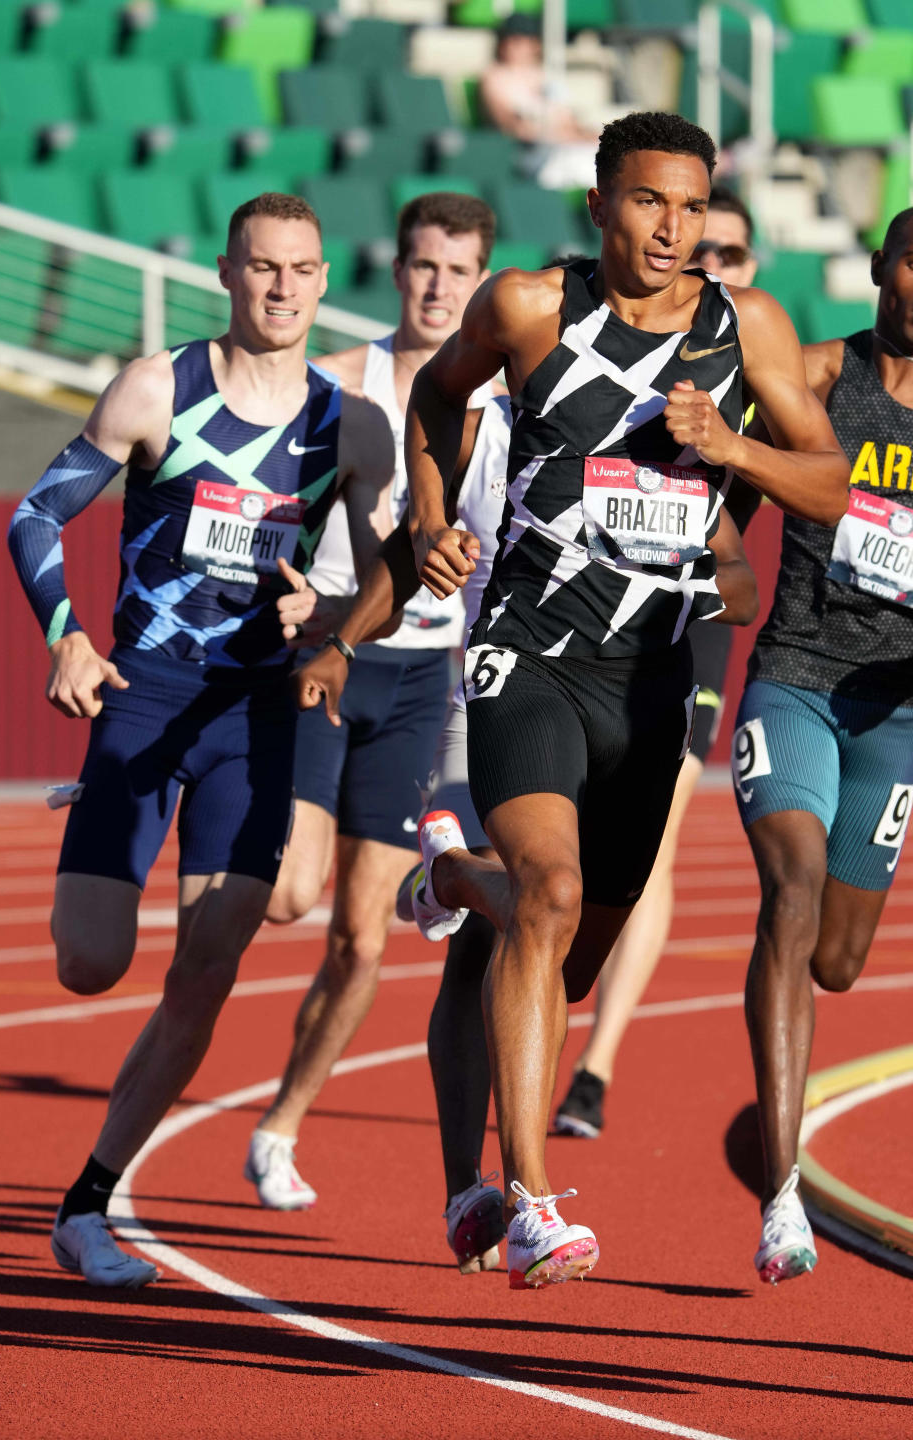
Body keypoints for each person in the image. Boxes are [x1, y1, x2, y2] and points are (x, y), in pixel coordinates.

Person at [402, 109, 849, 1290]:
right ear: (599, 205)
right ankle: (533, 1203)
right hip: (529, 652)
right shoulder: (525, 308)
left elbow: (833, 489)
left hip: (652, 676)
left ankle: (454, 882)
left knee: (564, 950)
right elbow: (435, 403)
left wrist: (734, 451)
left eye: (692, 206)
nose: (672, 227)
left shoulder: (743, 326)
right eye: (649, 201)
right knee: (546, 896)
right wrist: (431, 517)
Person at [7, 192, 394, 1287]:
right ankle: (98, 809)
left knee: (205, 970)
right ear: (227, 274)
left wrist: (322, 621)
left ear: (323, 281)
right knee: (91, 964)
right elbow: (33, 517)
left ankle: (89, 1203)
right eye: (262, 268)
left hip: (253, 715)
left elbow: (378, 583)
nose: (281, 288)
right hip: (139, 693)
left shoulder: (347, 426)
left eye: (302, 270)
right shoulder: (155, 388)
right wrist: (67, 637)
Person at [242, 194, 502, 1210]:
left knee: (361, 939)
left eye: (459, 272)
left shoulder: (496, 409)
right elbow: (268, 509)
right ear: (397, 272)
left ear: (482, 282)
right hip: (330, 661)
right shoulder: (338, 388)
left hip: (424, 679)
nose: (440, 288)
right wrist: (293, 587)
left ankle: (280, 1125)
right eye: (424, 268)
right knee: (290, 897)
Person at [554, 185, 762, 1140]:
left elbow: (832, 476)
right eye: (695, 239)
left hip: (692, 615)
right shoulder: (613, 330)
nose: (705, 255)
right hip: (580, 603)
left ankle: (591, 1066)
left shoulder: (766, 353)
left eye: (728, 247)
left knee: (652, 833)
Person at [733, 206, 913, 1285]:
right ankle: (781, 1191)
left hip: (898, 709)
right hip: (795, 675)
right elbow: (698, 459)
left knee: (838, 962)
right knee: (791, 891)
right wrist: (722, 556)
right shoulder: (810, 371)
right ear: (887, 268)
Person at [478, 13, 600, 190]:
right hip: (527, 155)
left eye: (519, 40)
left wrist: (590, 137)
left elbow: (569, 123)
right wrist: (561, 137)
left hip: (561, 148)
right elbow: (511, 126)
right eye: (507, 39)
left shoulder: (544, 77)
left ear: (534, 44)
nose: (511, 46)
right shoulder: (494, 77)